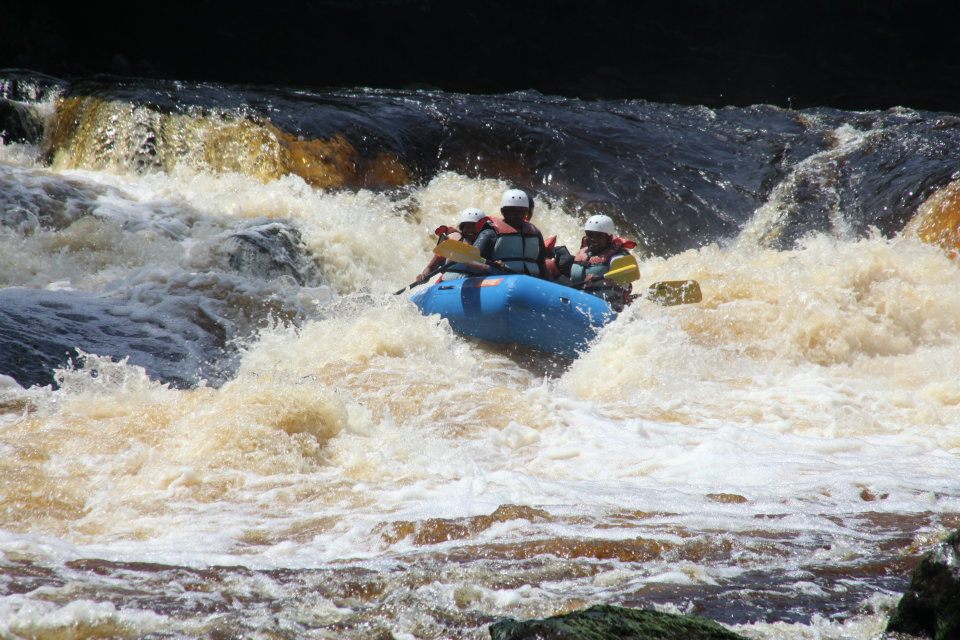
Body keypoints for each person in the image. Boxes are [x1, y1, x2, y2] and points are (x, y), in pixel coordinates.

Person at [560, 214, 638, 309]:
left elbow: (624, 285)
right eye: (590, 235)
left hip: (605, 305)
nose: (593, 239)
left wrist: (602, 281)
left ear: (609, 238)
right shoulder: (584, 253)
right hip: (577, 298)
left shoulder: (617, 258)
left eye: (599, 236)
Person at [470, 188, 549, 278]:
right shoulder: (491, 232)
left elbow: (542, 265)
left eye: (521, 211)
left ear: (526, 212)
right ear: (503, 211)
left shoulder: (536, 234)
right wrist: (489, 267)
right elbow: (471, 260)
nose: (516, 215)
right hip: (501, 281)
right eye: (511, 211)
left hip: (531, 283)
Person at [414, 208, 488, 283]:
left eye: (474, 226)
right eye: (467, 227)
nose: (470, 230)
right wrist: (423, 275)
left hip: (478, 279)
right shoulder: (451, 243)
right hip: (452, 280)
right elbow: (431, 267)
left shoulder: (489, 240)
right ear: (462, 228)